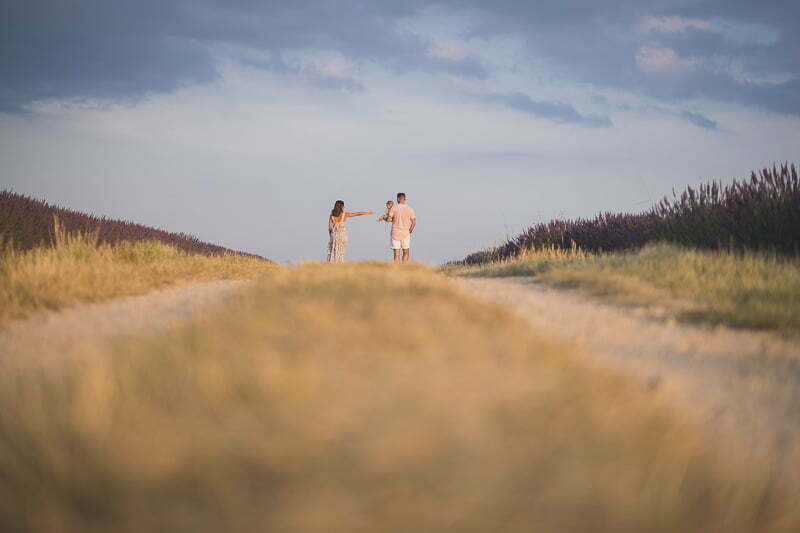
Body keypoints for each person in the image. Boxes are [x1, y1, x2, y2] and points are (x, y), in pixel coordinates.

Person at [386, 192, 416, 264]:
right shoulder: (410, 209)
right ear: (405, 199)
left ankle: (398, 270)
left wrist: (386, 218)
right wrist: (410, 230)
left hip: (395, 233)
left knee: (396, 254)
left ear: (397, 199)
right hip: (405, 233)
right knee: (406, 252)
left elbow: (389, 219)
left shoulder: (394, 208)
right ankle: (404, 267)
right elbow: (414, 222)